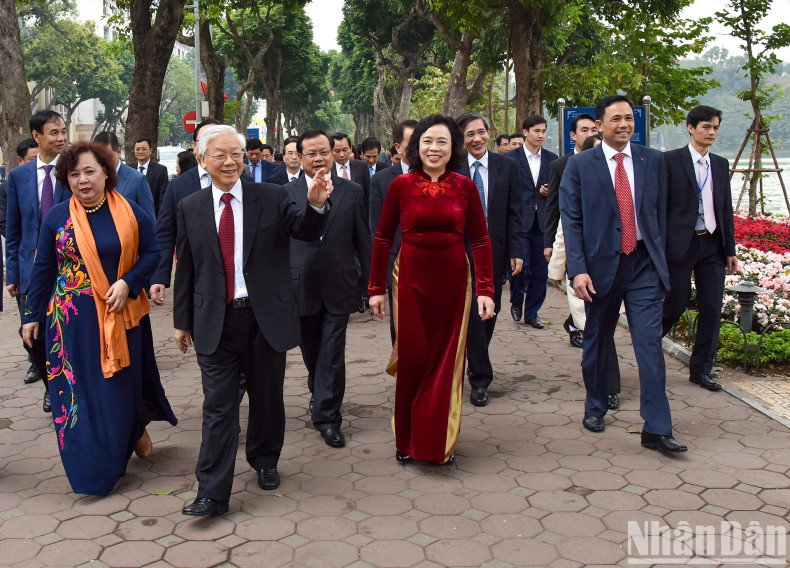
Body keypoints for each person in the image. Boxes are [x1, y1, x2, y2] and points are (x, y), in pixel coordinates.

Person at [173, 125, 330, 517]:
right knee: (218, 405)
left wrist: (315, 205)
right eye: (220, 155)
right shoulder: (190, 205)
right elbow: (187, 268)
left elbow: (306, 231)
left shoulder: (272, 196)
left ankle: (265, 460)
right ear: (202, 160)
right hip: (216, 319)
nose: (230, 162)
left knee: (266, 396)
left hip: (264, 318)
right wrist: (181, 321)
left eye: (236, 155)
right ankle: (211, 491)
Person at [21, 142, 177, 495]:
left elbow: (153, 252)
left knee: (115, 392)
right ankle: (91, 469)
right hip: (71, 325)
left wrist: (128, 282)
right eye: (74, 174)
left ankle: (127, 436)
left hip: (120, 318)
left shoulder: (130, 212)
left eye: (89, 171)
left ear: (106, 172)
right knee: (79, 392)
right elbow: (44, 267)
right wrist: (32, 315)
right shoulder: (57, 218)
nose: (82, 180)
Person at [560, 95, 687, 453]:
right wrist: (578, 270)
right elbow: (572, 220)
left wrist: (665, 260)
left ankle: (657, 428)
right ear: (599, 125)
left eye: (629, 118)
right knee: (598, 340)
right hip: (600, 269)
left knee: (649, 343)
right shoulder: (580, 165)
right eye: (615, 119)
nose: (624, 125)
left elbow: (663, 211)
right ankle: (595, 405)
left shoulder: (652, 160)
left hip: (644, 263)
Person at [368, 114, 495, 465]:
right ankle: (406, 440)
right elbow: (381, 238)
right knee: (413, 360)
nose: (433, 148)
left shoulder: (465, 187)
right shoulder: (401, 186)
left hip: (455, 286)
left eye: (441, 141)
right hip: (409, 284)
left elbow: (481, 240)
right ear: (415, 147)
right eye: (427, 141)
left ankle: (438, 443)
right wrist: (376, 288)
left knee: (445, 364)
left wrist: (486, 289)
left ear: (453, 147)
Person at [286, 130, 371, 448]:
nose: (319, 158)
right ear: (299, 157)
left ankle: (328, 418)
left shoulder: (352, 191)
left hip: (339, 284)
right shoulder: (285, 193)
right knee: (312, 354)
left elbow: (363, 239)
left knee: (332, 354)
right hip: (301, 286)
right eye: (311, 153)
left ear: (333, 153)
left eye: (324, 151)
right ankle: (319, 393)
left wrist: (371, 285)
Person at [662, 105, 738, 392]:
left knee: (711, 308)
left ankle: (701, 370)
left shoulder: (719, 164)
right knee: (675, 303)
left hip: (711, 245)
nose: (712, 132)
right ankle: (647, 342)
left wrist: (729, 248)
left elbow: (725, 208)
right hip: (680, 244)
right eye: (706, 126)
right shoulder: (670, 161)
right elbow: (660, 206)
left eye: (716, 127)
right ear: (691, 127)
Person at [549, 134, 622, 410]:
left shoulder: (624, 182)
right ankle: (604, 389)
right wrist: (557, 268)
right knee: (594, 330)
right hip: (583, 272)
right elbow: (565, 230)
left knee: (603, 332)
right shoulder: (578, 178)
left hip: (616, 271)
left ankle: (606, 387)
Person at [456, 112, 522, 407]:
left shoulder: (507, 166)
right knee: (467, 314)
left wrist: (516, 250)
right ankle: (479, 378)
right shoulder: (452, 168)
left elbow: (515, 211)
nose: (477, 138)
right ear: (462, 139)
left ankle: (476, 365)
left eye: (481, 132)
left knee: (486, 313)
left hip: (493, 253)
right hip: (456, 254)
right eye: (470, 134)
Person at [6, 111, 70, 413]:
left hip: (70, 272)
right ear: (37, 136)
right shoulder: (18, 176)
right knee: (33, 336)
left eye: (63, 131)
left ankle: (70, 390)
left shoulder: (73, 170)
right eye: (53, 132)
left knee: (68, 336)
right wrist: (13, 274)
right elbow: (15, 230)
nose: (60, 138)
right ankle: (50, 386)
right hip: (32, 273)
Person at [150, 118, 221, 306]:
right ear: (195, 147)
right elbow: (165, 234)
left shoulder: (244, 183)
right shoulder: (178, 187)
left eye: (217, 140)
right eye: (205, 140)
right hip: (196, 275)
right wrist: (160, 276)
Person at [544, 113, 598, 345]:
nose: (590, 134)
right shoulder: (561, 165)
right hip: (573, 240)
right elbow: (555, 209)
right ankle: (579, 327)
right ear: (573, 135)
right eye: (584, 130)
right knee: (578, 291)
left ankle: (578, 325)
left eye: (593, 130)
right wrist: (550, 245)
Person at [369, 119, 418, 345]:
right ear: (398, 147)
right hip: (397, 264)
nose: (420, 147)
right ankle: (404, 374)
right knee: (401, 325)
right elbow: (377, 231)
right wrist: (377, 281)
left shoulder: (442, 175)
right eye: (413, 142)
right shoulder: (382, 180)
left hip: (437, 263)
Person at [506, 115, 558, 328]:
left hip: (544, 222)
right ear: (525, 132)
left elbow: (558, 190)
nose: (541, 135)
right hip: (520, 221)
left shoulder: (552, 159)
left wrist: (549, 191)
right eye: (536, 131)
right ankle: (517, 299)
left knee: (540, 270)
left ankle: (533, 312)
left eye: (543, 131)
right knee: (520, 266)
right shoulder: (511, 159)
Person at [0, 139, 39, 316]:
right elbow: (7, 227)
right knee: (29, 329)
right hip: (26, 263)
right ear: (20, 160)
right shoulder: (8, 187)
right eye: (33, 159)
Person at [94, 132, 156, 221]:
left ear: (119, 152)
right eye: (99, 158)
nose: (103, 163)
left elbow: (149, 221)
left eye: (108, 158)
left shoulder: (137, 180)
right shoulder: (91, 180)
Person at [134, 138, 169, 217]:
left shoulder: (160, 170)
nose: (140, 152)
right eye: (137, 149)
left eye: (143, 149)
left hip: (153, 215)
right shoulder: (129, 168)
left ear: (150, 150)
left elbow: (162, 196)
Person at [331, 133, 370, 204]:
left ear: (350, 149)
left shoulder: (362, 166)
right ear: (331, 151)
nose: (342, 155)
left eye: (345, 150)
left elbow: (368, 194)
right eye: (337, 151)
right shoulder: (327, 169)